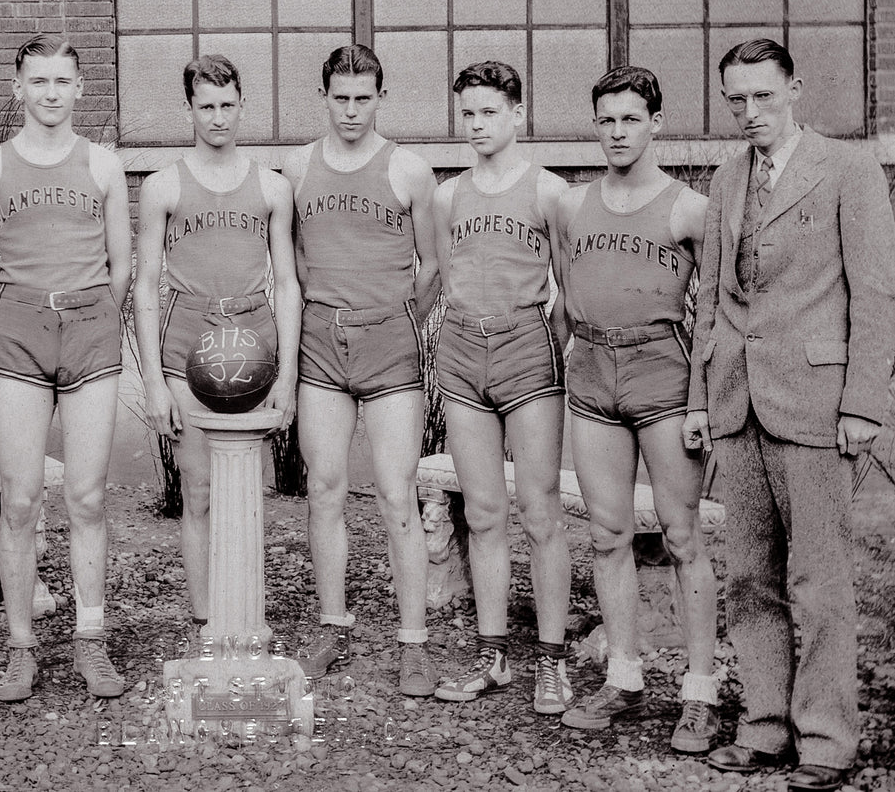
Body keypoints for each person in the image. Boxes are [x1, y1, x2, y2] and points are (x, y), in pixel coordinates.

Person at [687, 39, 895, 790]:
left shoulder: (847, 170)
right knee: (748, 578)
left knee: (819, 583)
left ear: (794, 90)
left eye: (762, 97)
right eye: (735, 100)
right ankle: (764, 725)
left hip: (815, 407)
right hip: (735, 404)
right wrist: (697, 401)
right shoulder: (724, 177)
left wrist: (862, 405)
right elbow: (709, 300)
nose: (749, 113)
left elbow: (875, 294)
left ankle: (826, 739)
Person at [552, 66, 720, 753]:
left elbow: (712, 313)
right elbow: (565, 297)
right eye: (606, 120)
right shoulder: (570, 205)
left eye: (630, 118)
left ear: (655, 122)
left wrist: (700, 400)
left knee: (681, 538)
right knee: (608, 534)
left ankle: (699, 691)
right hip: (590, 372)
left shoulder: (687, 208)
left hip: (660, 373)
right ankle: (623, 676)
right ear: (594, 126)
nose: (617, 132)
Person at [0, 35, 133, 701]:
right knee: (22, 497)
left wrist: (92, 316)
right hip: (18, 332)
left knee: (87, 496)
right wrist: (2, 322)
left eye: (62, 81)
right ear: (18, 88)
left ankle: (91, 642)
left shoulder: (104, 166)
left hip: (89, 325)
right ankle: (21, 648)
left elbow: (122, 265)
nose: (51, 93)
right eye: (39, 82)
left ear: (80, 88)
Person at [281, 44, 440, 696]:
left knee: (397, 495)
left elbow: (432, 266)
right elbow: (289, 260)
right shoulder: (296, 168)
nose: (350, 110)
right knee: (324, 489)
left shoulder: (408, 170)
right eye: (339, 97)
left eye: (362, 98)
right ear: (323, 96)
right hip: (322, 340)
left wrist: (400, 325)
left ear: (381, 97)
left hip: (389, 344)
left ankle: (412, 642)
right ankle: (332, 623)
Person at [132, 54, 300, 642]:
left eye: (228, 105)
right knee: (200, 484)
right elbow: (145, 285)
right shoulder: (163, 187)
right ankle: (207, 622)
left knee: (245, 486)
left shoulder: (272, 188)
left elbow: (288, 283)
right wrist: (153, 380)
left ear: (242, 105)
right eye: (206, 106)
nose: (218, 117)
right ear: (189, 110)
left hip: (251, 344)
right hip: (187, 345)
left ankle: (243, 611)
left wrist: (286, 377)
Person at [427, 62, 573, 714]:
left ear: (516, 113)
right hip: (460, 349)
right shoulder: (446, 196)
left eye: (489, 112)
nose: (478, 125)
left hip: (525, 347)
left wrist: (541, 343)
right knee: (483, 513)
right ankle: (493, 658)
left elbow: (567, 289)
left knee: (540, 512)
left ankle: (551, 663)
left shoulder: (549, 193)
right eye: (468, 114)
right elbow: (440, 275)